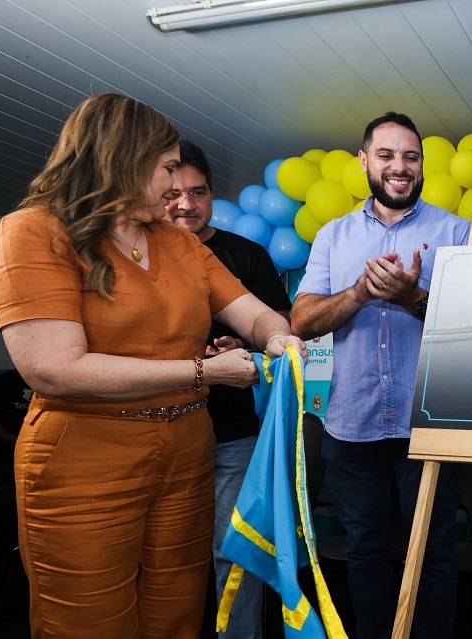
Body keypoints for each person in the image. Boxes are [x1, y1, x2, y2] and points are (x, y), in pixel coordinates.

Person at [0, 92, 305, 639]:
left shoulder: (178, 244)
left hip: (187, 453)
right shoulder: (34, 232)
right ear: (123, 161)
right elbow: (54, 369)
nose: (175, 186)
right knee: (88, 623)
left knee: (177, 614)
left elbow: (255, 316)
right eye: (166, 168)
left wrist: (280, 339)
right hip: (85, 460)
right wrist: (204, 374)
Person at [291, 112, 470, 639]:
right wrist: (360, 294)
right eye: (387, 155)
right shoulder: (332, 235)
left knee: (433, 552)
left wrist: (413, 297)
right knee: (364, 553)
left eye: (411, 157)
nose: (400, 167)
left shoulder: (456, 231)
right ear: (364, 162)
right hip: (352, 425)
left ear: (421, 165)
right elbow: (301, 320)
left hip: (429, 424)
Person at [165, 139, 292, 639]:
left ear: (212, 195)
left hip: (233, 435)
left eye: (198, 193)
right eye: (175, 192)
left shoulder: (244, 254)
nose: (186, 205)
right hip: (162, 432)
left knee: (234, 554)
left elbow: (278, 323)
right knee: (167, 557)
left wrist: (248, 340)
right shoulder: (143, 255)